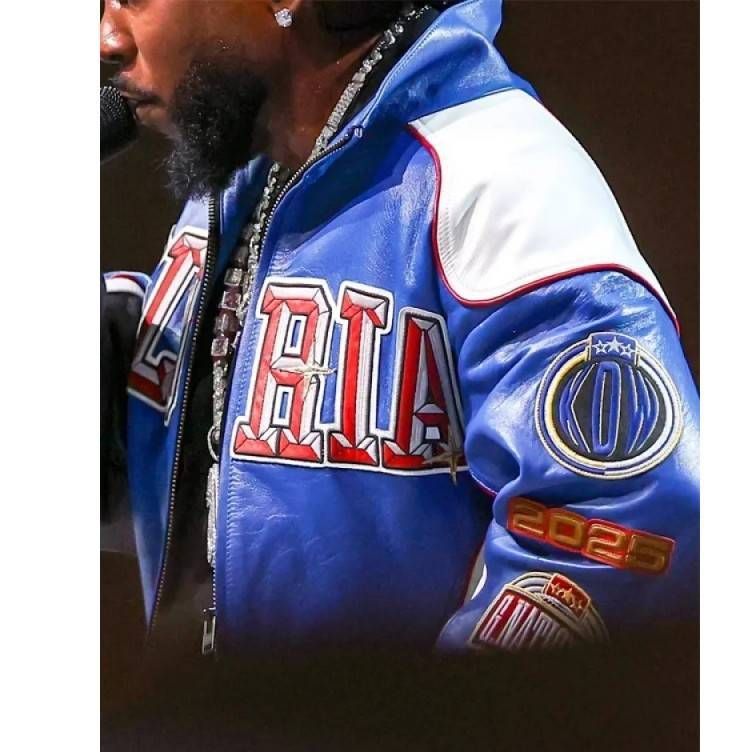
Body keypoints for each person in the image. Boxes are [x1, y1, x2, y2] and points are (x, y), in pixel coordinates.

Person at [100, 0, 699, 661]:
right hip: (210, 723)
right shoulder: (242, 176)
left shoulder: (500, 174)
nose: (107, 38)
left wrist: (435, 721)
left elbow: (625, 524)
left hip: (378, 731)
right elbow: (208, 476)